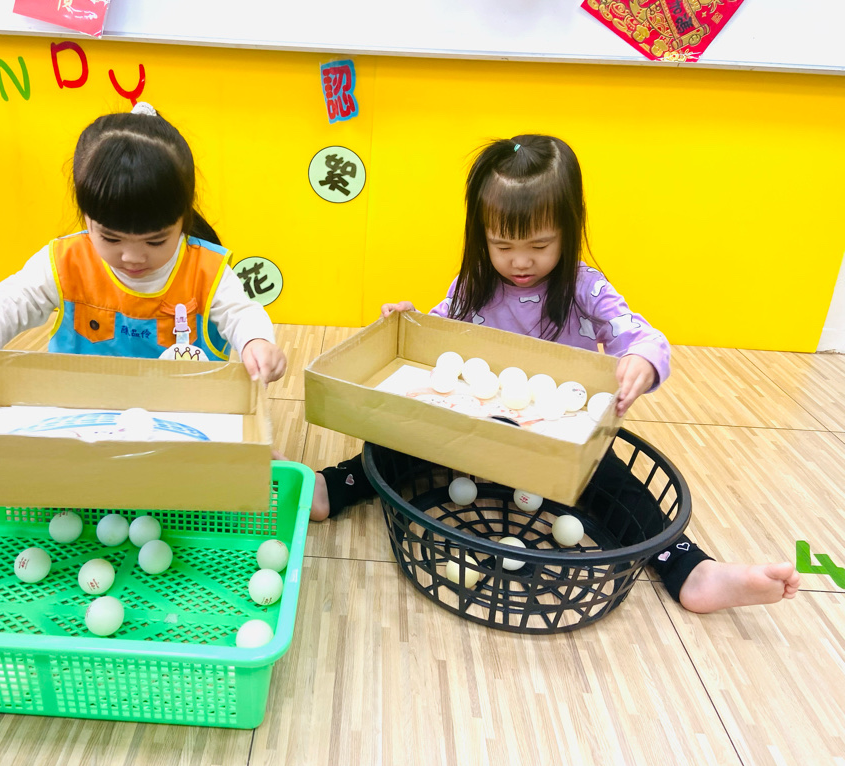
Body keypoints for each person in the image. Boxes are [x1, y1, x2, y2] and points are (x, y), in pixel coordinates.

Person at [311, 134, 799, 614]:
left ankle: (692, 571)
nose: (520, 261)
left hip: (556, 442)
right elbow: (439, 337)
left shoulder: (586, 288)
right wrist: (410, 321)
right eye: (502, 245)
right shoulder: (475, 283)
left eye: (540, 244)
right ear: (481, 235)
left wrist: (642, 361)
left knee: (612, 481)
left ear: (569, 228)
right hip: (476, 432)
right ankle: (334, 487)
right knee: (401, 434)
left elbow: (643, 337)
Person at [0, 102, 286, 384]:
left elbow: (241, 313)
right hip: (85, 412)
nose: (132, 257)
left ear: (183, 219)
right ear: (86, 215)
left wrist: (256, 342)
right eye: (110, 237)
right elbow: (16, 297)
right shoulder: (66, 260)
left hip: (183, 413)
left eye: (156, 240)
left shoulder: (206, 270)